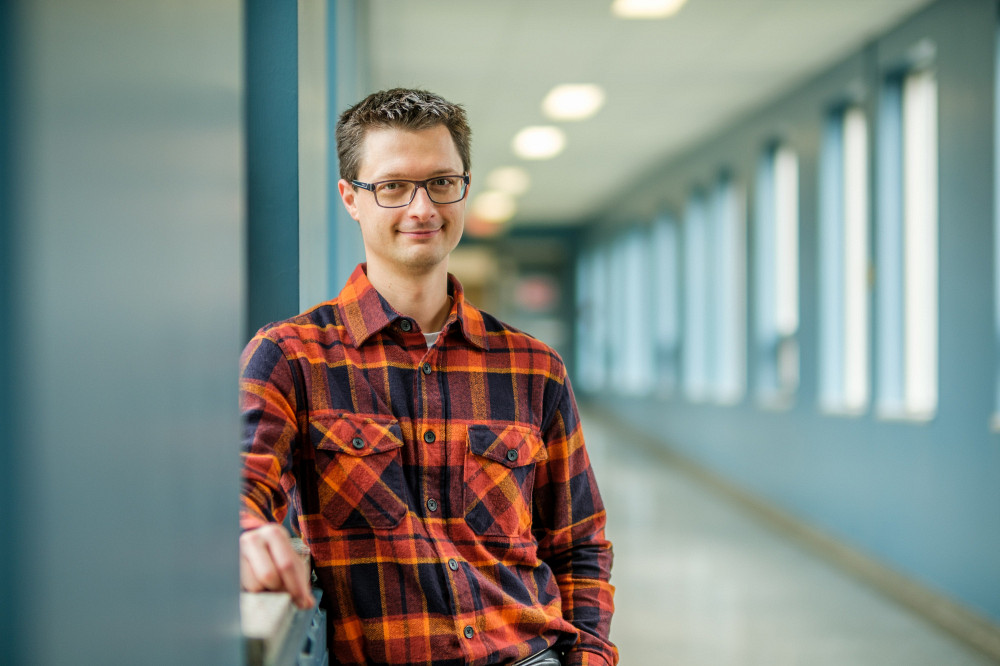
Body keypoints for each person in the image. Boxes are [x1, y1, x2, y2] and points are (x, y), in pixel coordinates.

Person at [239, 88, 617, 666]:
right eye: (393, 187)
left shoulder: (533, 367)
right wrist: (244, 533)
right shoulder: (291, 357)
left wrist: (591, 659)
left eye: (442, 182)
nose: (423, 209)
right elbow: (236, 489)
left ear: (464, 186)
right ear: (351, 198)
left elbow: (579, 545)